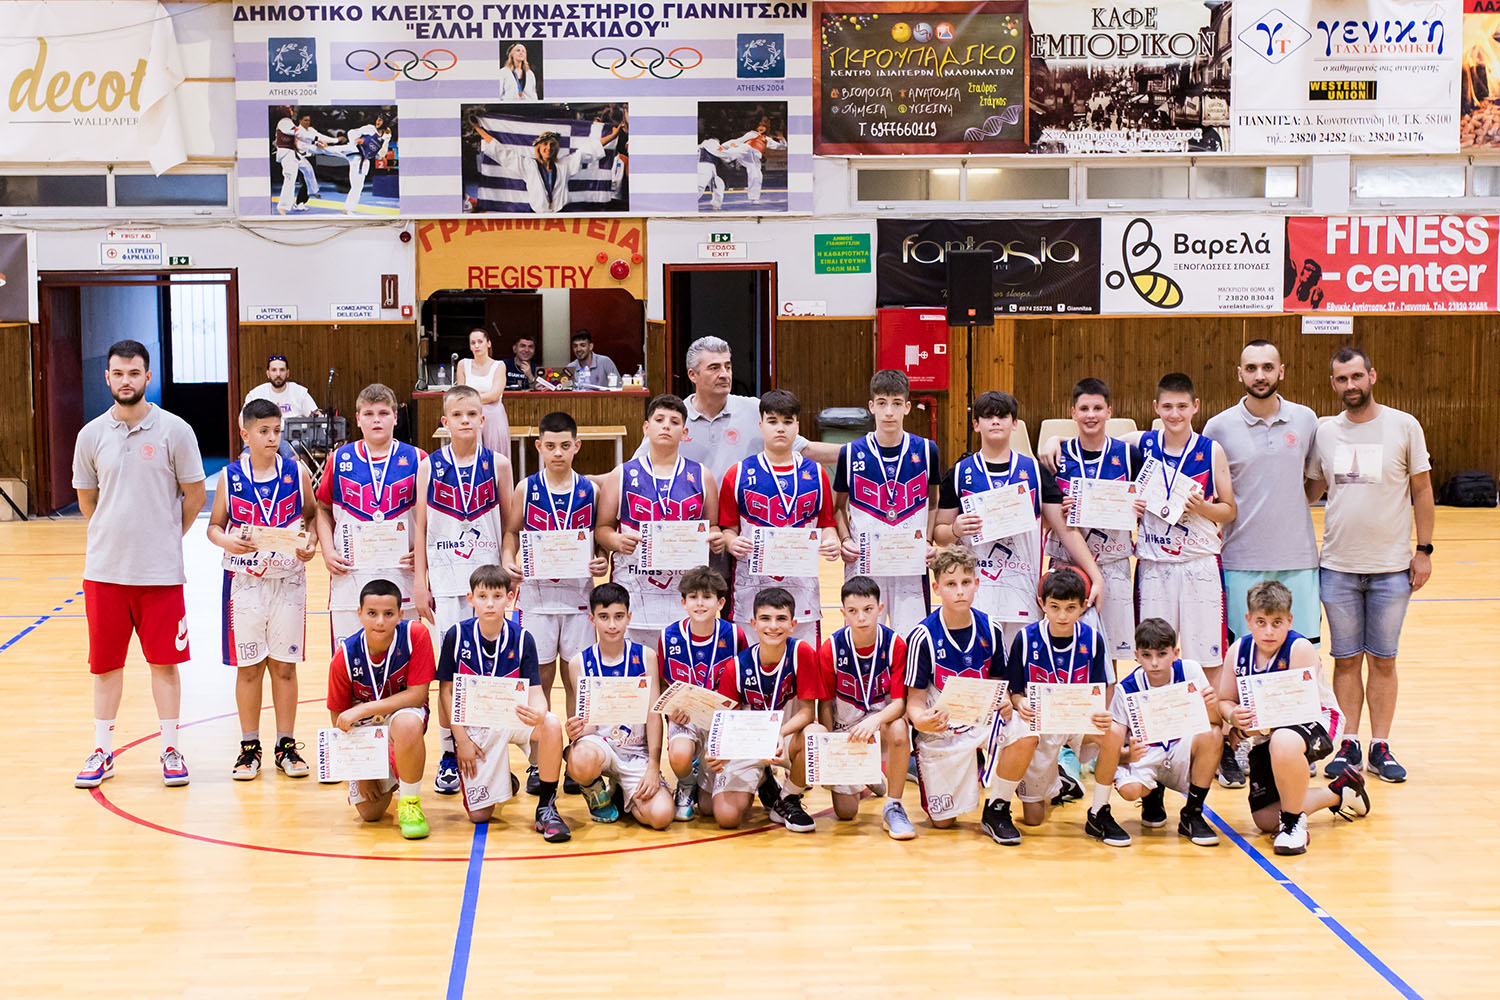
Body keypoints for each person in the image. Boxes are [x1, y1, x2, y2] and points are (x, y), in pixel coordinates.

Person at [72, 339, 206, 789]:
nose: (126, 380)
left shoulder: (175, 430)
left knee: (165, 664)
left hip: (160, 574)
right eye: (118, 373)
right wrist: (116, 534)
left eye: (134, 373)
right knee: (105, 666)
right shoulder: (90, 435)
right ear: (107, 377)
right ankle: (102, 750)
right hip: (104, 574)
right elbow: (88, 501)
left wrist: (164, 536)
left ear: (148, 377)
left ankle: (170, 747)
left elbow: (195, 496)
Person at [1306, 347, 1433, 783]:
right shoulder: (1325, 432)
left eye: (1356, 376)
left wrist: (1424, 550)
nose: (1350, 385)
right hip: (1338, 567)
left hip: (1391, 569)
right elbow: (1311, 489)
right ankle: (1349, 743)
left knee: (1383, 660)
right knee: (1345, 660)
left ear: (1372, 376)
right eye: (1342, 379)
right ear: (1333, 383)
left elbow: (1422, 490)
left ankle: (1380, 746)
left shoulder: (1403, 425)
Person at [934, 390, 1104, 652]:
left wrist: (1096, 576)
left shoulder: (1035, 471)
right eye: (987, 417)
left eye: (1003, 416)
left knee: (1020, 672)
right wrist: (955, 529)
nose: (995, 422)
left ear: (1014, 423)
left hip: (1023, 595)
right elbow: (940, 534)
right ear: (976, 424)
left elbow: (1066, 530)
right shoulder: (959, 473)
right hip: (976, 595)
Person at [206, 399, 319, 780]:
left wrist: (310, 544)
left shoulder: (296, 471)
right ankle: (249, 747)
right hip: (245, 584)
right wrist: (227, 541)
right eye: (264, 431)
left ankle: (286, 745)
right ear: (246, 434)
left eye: (277, 431)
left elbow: (311, 516)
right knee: (250, 667)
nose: (272, 438)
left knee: (284, 667)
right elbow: (214, 526)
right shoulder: (230, 476)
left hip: (287, 581)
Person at [1217, 582, 1371, 855]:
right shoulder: (1238, 650)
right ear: (1248, 620)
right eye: (1261, 622)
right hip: (1268, 731)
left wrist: (1244, 731)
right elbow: (1224, 700)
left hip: (1314, 719)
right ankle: (1342, 790)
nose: (1268, 631)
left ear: (1289, 621)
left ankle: (1293, 825)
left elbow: (1292, 711)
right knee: (1265, 819)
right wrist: (1232, 715)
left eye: (1277, 623)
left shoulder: (1299, 649)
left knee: (1284, 740)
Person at [414, 385, 513, 796]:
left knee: (492, 671)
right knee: (450, 673)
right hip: (445, 581)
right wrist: (419, 581)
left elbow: (509, 525)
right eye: (457, 415)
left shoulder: (499, 464)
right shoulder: (429, 466)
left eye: (472, 414)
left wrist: (507, 569)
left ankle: (493, 749)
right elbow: (421, 527)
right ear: (445, 422)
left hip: (488, 586)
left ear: (483, 419)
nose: (466, 421)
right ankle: (449, 753)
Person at [502, 410, 607, 794]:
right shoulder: (526, 488)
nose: (558, 453)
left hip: (578, 600)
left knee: (577, 680)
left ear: (577, 446)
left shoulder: (591, 491)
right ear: (539, 447)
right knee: (539, 683)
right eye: (550, 446)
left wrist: (602, 559)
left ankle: (577, 755)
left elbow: (600, 539)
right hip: (537, 599)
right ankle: (538, 761)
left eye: (565, 445)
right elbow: (512, 534)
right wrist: (508, 560)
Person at [437, 565, 571, 842]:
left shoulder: (522, 638)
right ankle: (502, 779)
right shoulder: (456, 636)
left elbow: (535, 691)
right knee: (480, 816)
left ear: (510, 598)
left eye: (497, 596)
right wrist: (460, 740)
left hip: (512, 717)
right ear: (470, 599)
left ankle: (546, 807)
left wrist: (540, 712)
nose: (490, 604)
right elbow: (446, 693)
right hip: (476, 725)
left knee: (551, 724)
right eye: (482, 596)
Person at [1204, 342, 1322, 647]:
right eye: (1252, 368)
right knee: (1243, 656)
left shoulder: (1306, 419)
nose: (1260, 375)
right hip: (1240, 561)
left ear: (1281, 372)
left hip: (1298, 560)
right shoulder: (1218, 427)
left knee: (1301, 653)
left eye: (1267, 367)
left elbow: (1315, 482)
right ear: (1239, 374)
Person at [988, 567, 1110, 843]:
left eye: (1070, 608)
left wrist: (1101, 714)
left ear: (1083, 606)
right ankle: (1062, 777)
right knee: (1034, 819)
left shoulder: (1093, 640)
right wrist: (1020, 702)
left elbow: (1097, 691)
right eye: (1055, 607)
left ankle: (1101, 811)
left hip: (1076, 721)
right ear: (1042, 604)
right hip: (1039, 724)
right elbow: (1015, 691)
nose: (1062, 616)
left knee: (1113, 733)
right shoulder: (1025, 638)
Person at [597, 394, 724, 648]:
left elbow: (713, 526)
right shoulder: (622, 474)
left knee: (680, 667)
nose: (666, 426)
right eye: (659, 420)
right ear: (646, 427)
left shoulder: (702, 476)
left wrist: (716, 538)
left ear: (685, 433)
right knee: (636, 667)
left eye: (674, 422)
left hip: (686, 594)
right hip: (634, 590)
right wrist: (617, 541)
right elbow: (602, 529)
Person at [1134, 373, 1236, 685]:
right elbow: (1096, 440)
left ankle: (1209, 717)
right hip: (1155, 565)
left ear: (1195, 406)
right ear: (1156, 407)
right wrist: (1056, 441)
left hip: (1198, 564)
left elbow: (1229, 509)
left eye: (1182, 406)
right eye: (1167, 407)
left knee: (1207, 658)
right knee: (1153, 656)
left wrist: (1202, 507)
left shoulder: (1211, 450)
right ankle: (1158, 715)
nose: (1174, 414)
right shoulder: (1141, 443)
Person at [904, 546, 1012, 840]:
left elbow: (999, 686)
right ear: (937, 588)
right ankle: (970, 765)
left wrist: (1005, 701)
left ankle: (997, 807)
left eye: (966, 582)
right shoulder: (923, 637)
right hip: (943, 731)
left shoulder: (991, 628)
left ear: (976, 583)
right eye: (951, 584)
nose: (960, 591)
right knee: (943, 823)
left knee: (1025, 731)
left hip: (982, 722)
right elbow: (914, 702)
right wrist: (921, 721)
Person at [1086, 618, 1223, 849]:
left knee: (1213, 734)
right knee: (1130, 791)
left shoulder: (1190, 671)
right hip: (1146, 755)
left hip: (1180, 750)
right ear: (1136, 656)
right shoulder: (1125, 689)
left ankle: (1192, 814)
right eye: (1147, 655)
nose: (1155, 663)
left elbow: (1215, 723)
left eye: (1162, 654)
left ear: (1175, 653)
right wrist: (1128, 755)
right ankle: (1151, 794)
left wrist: (1211, 706)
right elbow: (1112, 748)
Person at [719, 389, 840, 646]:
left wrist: (831, 541)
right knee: (750, 660)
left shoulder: (817, 474)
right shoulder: (738, 474)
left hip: (802, 589)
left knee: (803, 661)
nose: (780, 428)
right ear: (760, 425)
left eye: (787, 421)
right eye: (773, 421)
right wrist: (731, 542)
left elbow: (827, 525)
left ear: (798, 426)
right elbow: (727, 528)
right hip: (751, 588)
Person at [632, 335, 837, 482]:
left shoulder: (754, 409)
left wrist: (853, 452)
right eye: (714, 368)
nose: (724, 374)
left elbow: (804, 449)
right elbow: (634, 470)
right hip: (690, 519)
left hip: (742, 520)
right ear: (693, 375)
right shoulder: (673, 418)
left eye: (727, 367)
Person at [315, 383, 424, 648]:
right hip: (350, 574)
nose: (376, 420)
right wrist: (327, 551)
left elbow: (431, 517)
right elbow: (322, 508)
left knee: (401, 655)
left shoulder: (418, 459)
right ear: (358, 419)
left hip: (401, 573)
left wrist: (423, 555)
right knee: (348, 656)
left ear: (395, 417)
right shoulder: (339, 459)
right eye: (369, 413)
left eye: (384, 413)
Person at [326, 580, 435, 840]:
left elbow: (417, 696)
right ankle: (399, 770)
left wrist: (364, 708)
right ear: (360, 613)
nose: (380, 622)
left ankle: (410, 803)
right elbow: (339, 719)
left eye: (388, 614)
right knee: (370, 813)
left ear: (400, 614)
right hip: (365, 731)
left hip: (403, 715)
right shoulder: (344, 656)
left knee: (407, 724)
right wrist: (361, 771)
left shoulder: (415, 635)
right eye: (372, 613)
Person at [1045, 378, 1145, 665]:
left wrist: (1139, 508)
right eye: (1084, 408)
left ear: (1109, 412)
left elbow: (1145, 507)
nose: (1091, 415)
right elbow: (1043, 520)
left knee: (1109, 655)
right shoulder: (1056, 456)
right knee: (1065, 649)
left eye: (1098, 408)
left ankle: (1105, 699)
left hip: (1114, 564)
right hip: (1067, 565)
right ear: (1073, 413)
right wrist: (1058, 511)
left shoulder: (1129, 455)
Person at [836, 369, 942, 637]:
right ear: (871, 406)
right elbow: (837, 507)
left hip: (910, 563)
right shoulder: (850, 453)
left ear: (907, 407)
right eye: (882, 403)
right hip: (864, 562)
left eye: (896, 403)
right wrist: (845, 539)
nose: (889, 412)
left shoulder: (927, 450)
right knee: (863, 637)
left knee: (913, 639)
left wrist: (928, 540)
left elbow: (933, 503)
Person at [708, 587, 821, 832]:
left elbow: (807, 712)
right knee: (727, 818)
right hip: (747, 744)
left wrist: (779, 733)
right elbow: (727, 720)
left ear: (793, 624)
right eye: (765, 618)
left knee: (816, 735)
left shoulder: (801, 653)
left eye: (781, 619)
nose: (773, 626)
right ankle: (764, 777)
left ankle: (787, 798)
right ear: (753, 623)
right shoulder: (737, 667)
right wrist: (719, 750)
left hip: (785, 739)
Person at [810, 576, 915, 840]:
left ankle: (894, 806)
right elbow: (825, 703)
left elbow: (900, 704)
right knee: (846, 813)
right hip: (846, 732)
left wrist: (874, 720)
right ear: (843, 613)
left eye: (868, 609)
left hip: (880, 727)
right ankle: (870, 774)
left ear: (880, 608)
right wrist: (831, 748)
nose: (861, 618)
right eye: (853, 611)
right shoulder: (831, 648)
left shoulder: (895, 644)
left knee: (900, 728)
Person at [563, 583, 675, 829]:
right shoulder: (579, 663)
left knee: (662, 816)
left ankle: (624, 793)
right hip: (601, 747)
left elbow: (654, 715)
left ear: (629, 617)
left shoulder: (646, 657)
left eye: (618, 616)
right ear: (592, 619)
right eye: (604, 617)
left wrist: (654, 766)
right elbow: (586, 724)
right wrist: (574, 732)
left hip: (636, 753)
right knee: (579, 758)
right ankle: (594, 791)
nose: (612, 625)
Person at [658, 566, 746, 822]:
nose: (699, 603)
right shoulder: (669, 637)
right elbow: (663, 685)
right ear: (683, 602)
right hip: (685, 716)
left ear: (720, 602)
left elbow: (743, 683)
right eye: (693, 597)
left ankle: (752, 779)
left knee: (708, 808)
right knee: (679, 755)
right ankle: (686, 783)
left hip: (722, 718)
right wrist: (672, 711)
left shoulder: (734, 635)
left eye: (707, 597)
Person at [473, 120, 620, 214]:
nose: (548, 148)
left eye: (552, 145)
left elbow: (588, 151)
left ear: (556, 149)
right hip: (536, 215)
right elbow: (502, 153)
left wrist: (613, 136)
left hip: (561, 213)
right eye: (545, 144)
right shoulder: (528, 165)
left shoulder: (564, 164)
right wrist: (478, 128)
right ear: (538, 148)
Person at [457, 327, 512, 457]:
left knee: (495, 456)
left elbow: (494, 395)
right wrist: (480, 395)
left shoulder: (499, 365)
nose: (476, 346)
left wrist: (471, 396)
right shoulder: (463, 364)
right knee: (472, 456)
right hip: (470, 417)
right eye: (473, 343)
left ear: (488, 343)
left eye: (480, 342)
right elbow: (461, 395)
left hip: (494, 415)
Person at [326, 112, 391, 215]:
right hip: (354, 151)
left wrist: (381, 156)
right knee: (330, 150)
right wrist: (356, 140)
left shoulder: (386, 136)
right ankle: (310, 148)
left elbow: (381, 152)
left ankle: (348, 209)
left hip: (364, 160)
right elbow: (352, 132)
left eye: (380, 120)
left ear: (385, 122)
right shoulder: (370, 128)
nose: (377, 122)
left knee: (358, 186)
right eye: (377, 119)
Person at [722, 116, 786, 204]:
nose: (762, 127)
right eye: (760, 125)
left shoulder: (767, 140)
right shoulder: (751, 134)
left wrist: (782, 139)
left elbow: (783, 147)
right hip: (744, 151)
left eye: (764, 126)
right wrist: (723, 146)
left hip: (753, 159)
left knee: (757, 176)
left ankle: (754, 198)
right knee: (739, 149)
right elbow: (737, 141)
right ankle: (725, 157)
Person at [244, 355, 320, 421]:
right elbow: (243, 418)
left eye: (282, 370)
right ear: (268, 374)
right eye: (274, 370)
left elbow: (317, 415)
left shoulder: (300, 392)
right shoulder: (256, 394)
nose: (278, 374)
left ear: (287, 373)